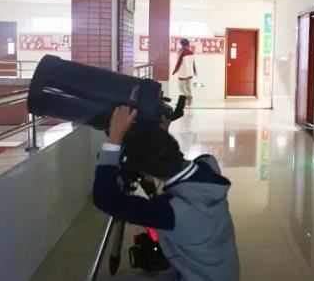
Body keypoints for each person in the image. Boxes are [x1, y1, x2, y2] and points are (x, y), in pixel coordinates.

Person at [93, 106, 240, 281]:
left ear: (147, 174)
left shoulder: (173, 212)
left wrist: (114, 140)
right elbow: (166, 155)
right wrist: (159, 134)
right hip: (221, 271)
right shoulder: (209, 166)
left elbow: (105, 198)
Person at [173, 39, 197, 106]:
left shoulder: (181, 52)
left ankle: (189, 96)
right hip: (189, 72)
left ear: (182, 44)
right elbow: (193, 63)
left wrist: (174, 71)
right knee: (188, 87)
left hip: (183, 73)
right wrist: (194, 71)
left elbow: (178, 63)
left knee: (181, 88)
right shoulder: (191, 52)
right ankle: (188, 103)